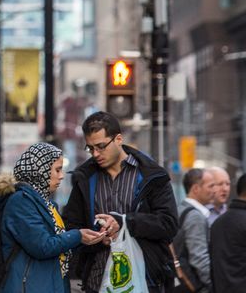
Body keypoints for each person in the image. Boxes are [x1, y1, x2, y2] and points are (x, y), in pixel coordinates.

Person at [62, 111, 179, 293]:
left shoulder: (152, 175)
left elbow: (168, 224)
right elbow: (71, 225)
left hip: (144, 280)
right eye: (90, 148)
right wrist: (97, 238)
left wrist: (125, 223)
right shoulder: (84, 178)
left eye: (101, 146)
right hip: (97, 280)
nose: (95, 154)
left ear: (118, 139)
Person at [0, 143, 107, 293]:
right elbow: (42, 246)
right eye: (57, 170)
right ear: (40, 170)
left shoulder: (47, 204)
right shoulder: (21, 201)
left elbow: (60, 243)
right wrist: (78, 235)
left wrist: (93, 238)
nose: (61, 176)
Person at [175, 168, 214, 292]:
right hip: (195, 284)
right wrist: (213, 284)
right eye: (211, 186)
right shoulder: (195, 216)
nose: (214, 190)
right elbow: (199, 257)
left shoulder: (179, 209)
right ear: (196, 189)